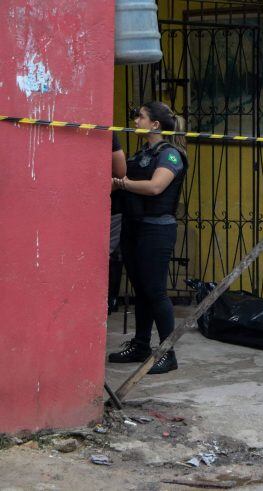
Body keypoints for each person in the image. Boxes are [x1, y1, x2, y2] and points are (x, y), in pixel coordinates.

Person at [107, 101, 187, 375]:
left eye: (140, 117)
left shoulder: (171, 155)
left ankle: (168, 352)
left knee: (155, 292)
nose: (135, 120)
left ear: (155, 124)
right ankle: (141, 345)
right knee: (140, 290)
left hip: (156, 229)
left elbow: (155, 187)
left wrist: (121, 184)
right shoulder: (144, 152)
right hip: (134, 226)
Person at [108, 132, 127, 314]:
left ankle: (110, 300)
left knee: (109, 254)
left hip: (112, 206)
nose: (136, 121)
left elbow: (121, 174)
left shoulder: (109, 133)